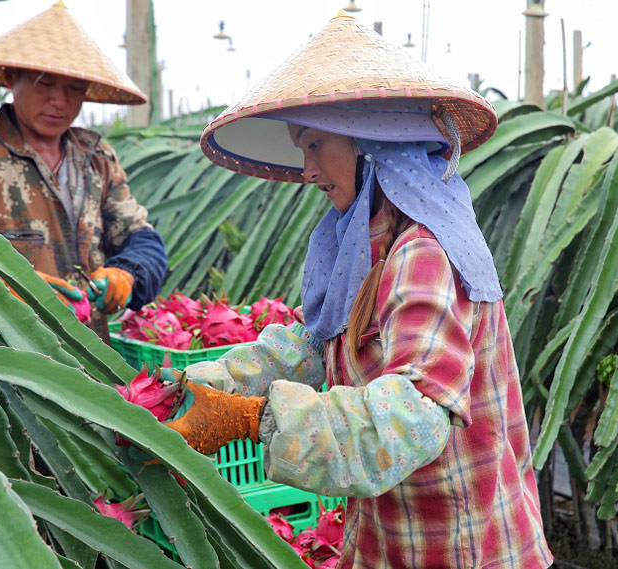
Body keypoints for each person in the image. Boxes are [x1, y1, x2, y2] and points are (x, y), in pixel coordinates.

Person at [165, 12, 553, 569]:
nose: (307, 169)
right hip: (389, 535)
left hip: (457, 547)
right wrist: (195, 384)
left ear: (374, 144)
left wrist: (249, 420)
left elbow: (413, 419)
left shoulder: (424, 253)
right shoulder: (365, 245)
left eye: (315, 145)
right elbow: (314, 345)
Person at [0, 2, 166, 331]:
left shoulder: (97, 160)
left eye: (74, 88)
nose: (60, 101)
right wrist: (10, 287)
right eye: (45, 83)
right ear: (11, 77)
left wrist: (126, 274)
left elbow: (141, 238)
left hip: (92, 356)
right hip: (3, 360)